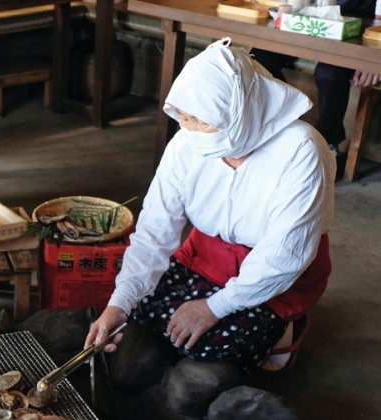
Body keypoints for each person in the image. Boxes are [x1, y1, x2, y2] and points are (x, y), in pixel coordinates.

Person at [86, 38, 335, 372]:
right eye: (185, 118)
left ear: (241, 110)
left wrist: (214, 307)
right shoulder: (187, 141)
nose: (191, 130)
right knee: (138, 308)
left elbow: (284, 254)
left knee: (212, 343)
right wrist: (119, 303)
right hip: (206, 256)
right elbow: (155, 229)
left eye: (203, 121)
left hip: (276, 270)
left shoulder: (301, 151)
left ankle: (288, 328)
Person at [251, 0, 381, 155]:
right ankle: (289, 127)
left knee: (329, 74)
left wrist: (374, 56)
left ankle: (327, 146)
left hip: (356, 34)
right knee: (259, 58)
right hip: (307, 23)